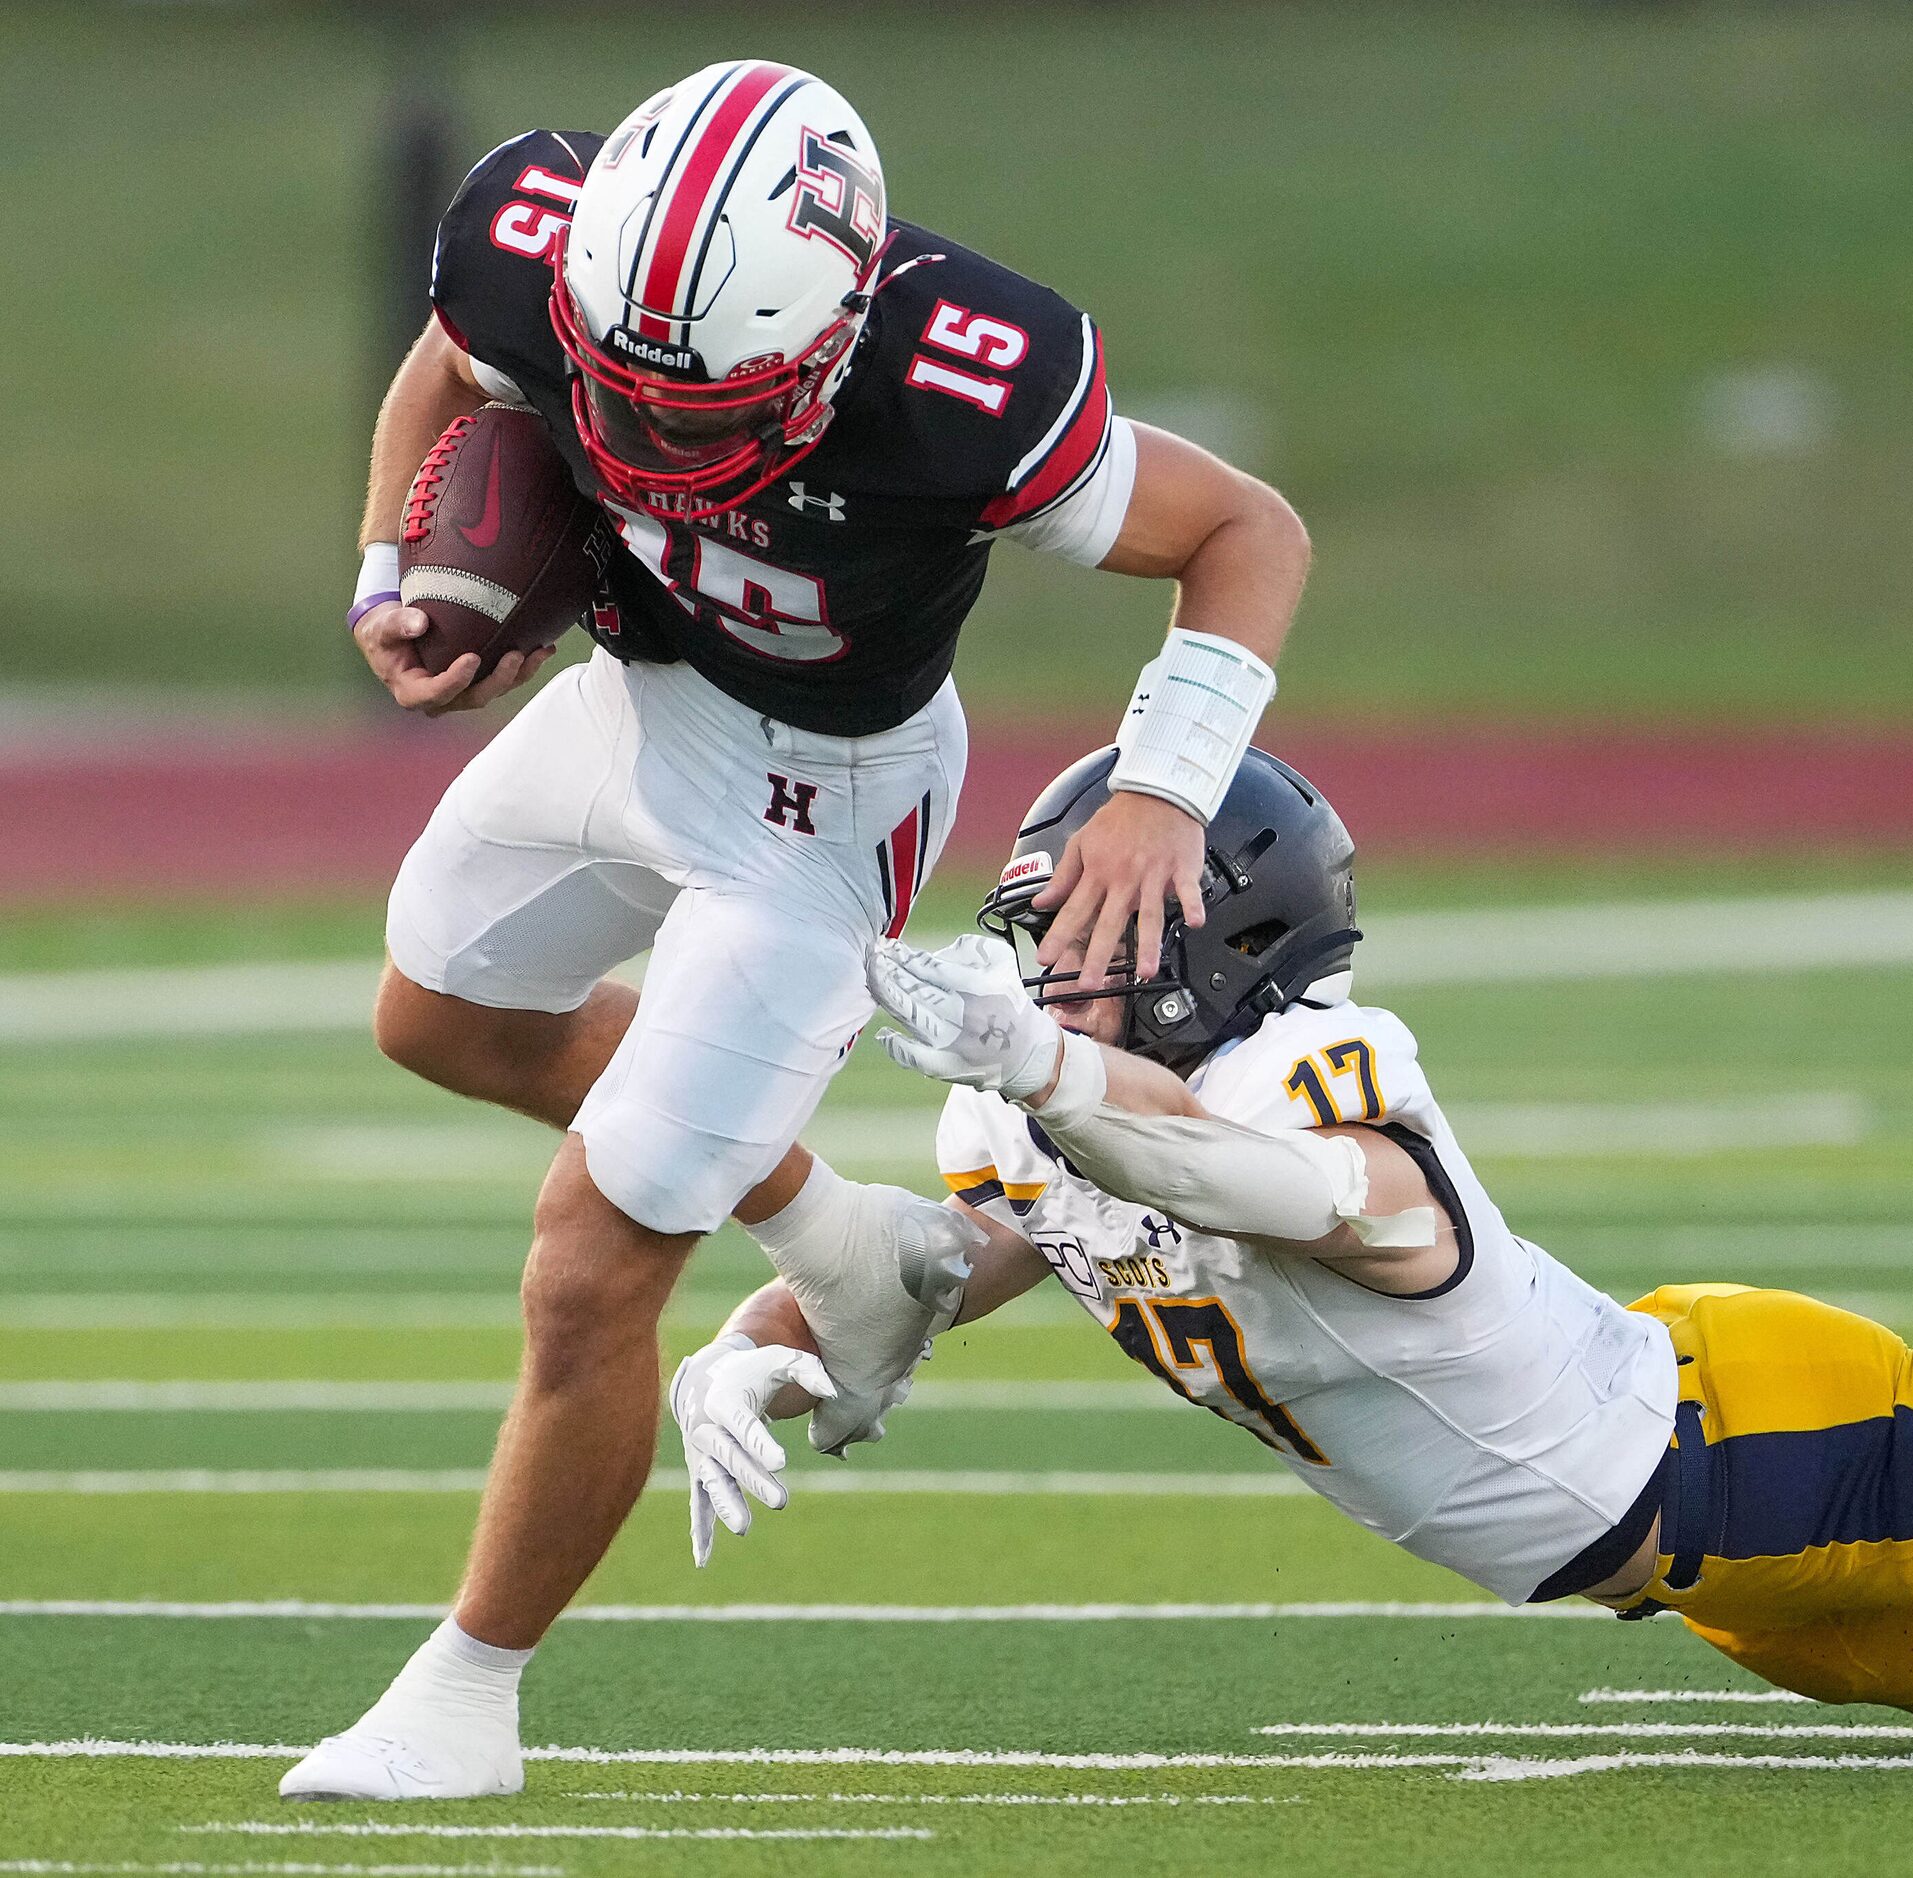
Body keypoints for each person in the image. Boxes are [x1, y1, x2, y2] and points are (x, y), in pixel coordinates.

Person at [657, 711, 1913, 1758]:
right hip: (1666, 1526)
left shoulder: (1310, 1075)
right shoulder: (1041, 1113)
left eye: (1091, 924)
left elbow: (1316, 1209)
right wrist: (758, 1345)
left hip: (1763, 1452)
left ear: (1219, 932)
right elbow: (919, 1271)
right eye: (1040, 928)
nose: (1047, 957)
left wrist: (1044, 1074)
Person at [282, 60, 1310, 1802]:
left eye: (703, 411)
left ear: (831, 339)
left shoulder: (964, 372)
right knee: (437, 1018)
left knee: (592, 1256)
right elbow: (456, 365)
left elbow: (1240, 527)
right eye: (622, 393)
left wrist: (1163, 785)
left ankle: (469, 1697)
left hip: (819, 799)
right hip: (626, 699)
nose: (652, 441)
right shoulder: (535, 237)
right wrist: (398, 564)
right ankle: (850, 1240)